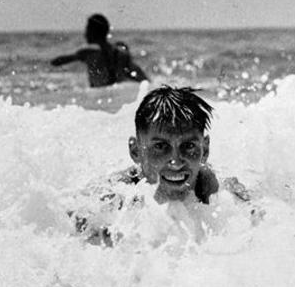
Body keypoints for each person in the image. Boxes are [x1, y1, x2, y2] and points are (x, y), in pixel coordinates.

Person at [67, 86, 259, 245]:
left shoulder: (225, 194)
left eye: (188, 146)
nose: (175, 162)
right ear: (136, 151)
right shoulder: (113, 196)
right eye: (160, 147)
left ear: (205, 149)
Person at [50, 14, 148, 87]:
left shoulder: (88, 54)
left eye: (88, 29)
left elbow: (56, 62)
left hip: (98, 99)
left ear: (94, 32)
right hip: (118, 97)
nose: (85, 33)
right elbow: (143, 79)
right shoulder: (121, 54)